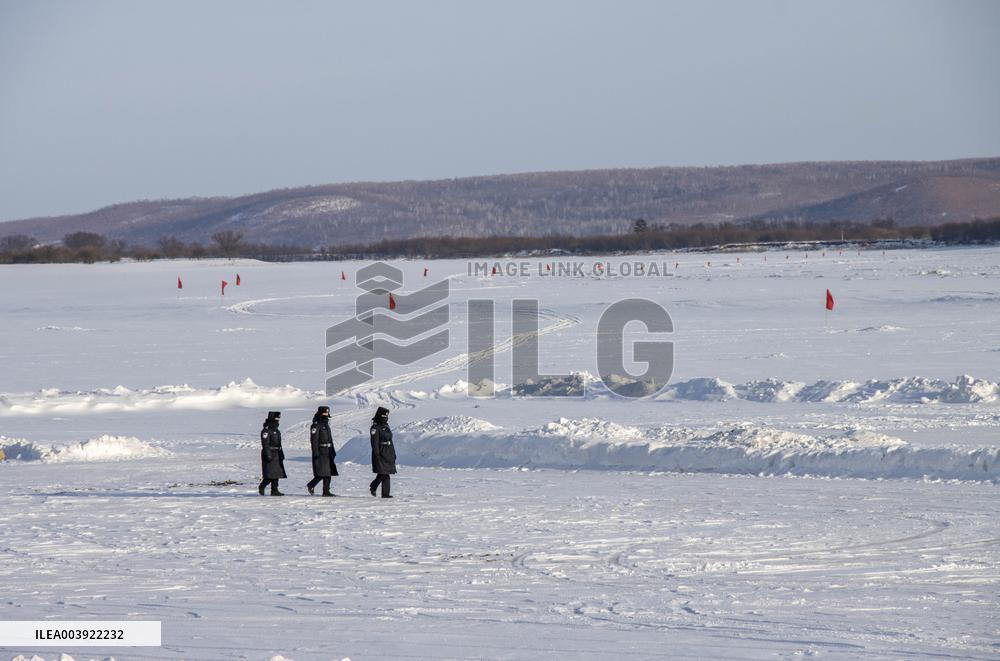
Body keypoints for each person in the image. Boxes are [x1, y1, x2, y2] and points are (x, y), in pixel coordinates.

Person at [307, 406, 338, 496]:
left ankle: (326, 491)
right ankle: (311, 485)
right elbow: (314, 441)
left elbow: (330, 439)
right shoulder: (316, 425)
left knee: (328, 472)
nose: (326, 416)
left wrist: (332, 451)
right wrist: (316, 453)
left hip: (328, 451)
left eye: (327, 414)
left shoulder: (326, 425)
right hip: (320, 452)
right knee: (322, 473)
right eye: (324, 414)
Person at [369, 406, 396, 498]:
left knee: (386, 473)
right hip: (381, 452)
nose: (385, 418)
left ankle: (385, 494)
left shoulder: (386, 426)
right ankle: (373, 486)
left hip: (388, 452)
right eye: (384, 416)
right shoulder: (375, 427)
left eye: (386, 416)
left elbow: (390, 440)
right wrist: (376, 454)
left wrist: (393, 453)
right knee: (384, 473)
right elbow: (374, 442)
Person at [258, 411, 286, 496]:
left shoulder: (276, 430)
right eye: (276, 418)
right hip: (269, 453)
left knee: (276, 473)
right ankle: (262, 486)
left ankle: (274, 490)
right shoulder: (266, 430)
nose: (278, 420)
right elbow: (265, 443)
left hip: (277, 453)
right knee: (270, 474)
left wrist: (281, 453)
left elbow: (279, 443)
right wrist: (268, 454)